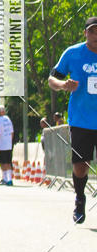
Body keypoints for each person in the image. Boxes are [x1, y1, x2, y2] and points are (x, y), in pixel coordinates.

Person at [48, 17, 97, 224]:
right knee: (80, 166)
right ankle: (80, 197)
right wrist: (63, 85)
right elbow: (52, 79)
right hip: (81, 120)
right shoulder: (73, 53)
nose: (96, 35)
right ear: (85, 33)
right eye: (93, 31)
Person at [0, 104, 14, 186]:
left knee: (2, 162)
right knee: (8, 162)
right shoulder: (8, 119)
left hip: (1, 145)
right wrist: (9, 141)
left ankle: (5, 178)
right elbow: (12, 132)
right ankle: (10, 179)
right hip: (8, 144)